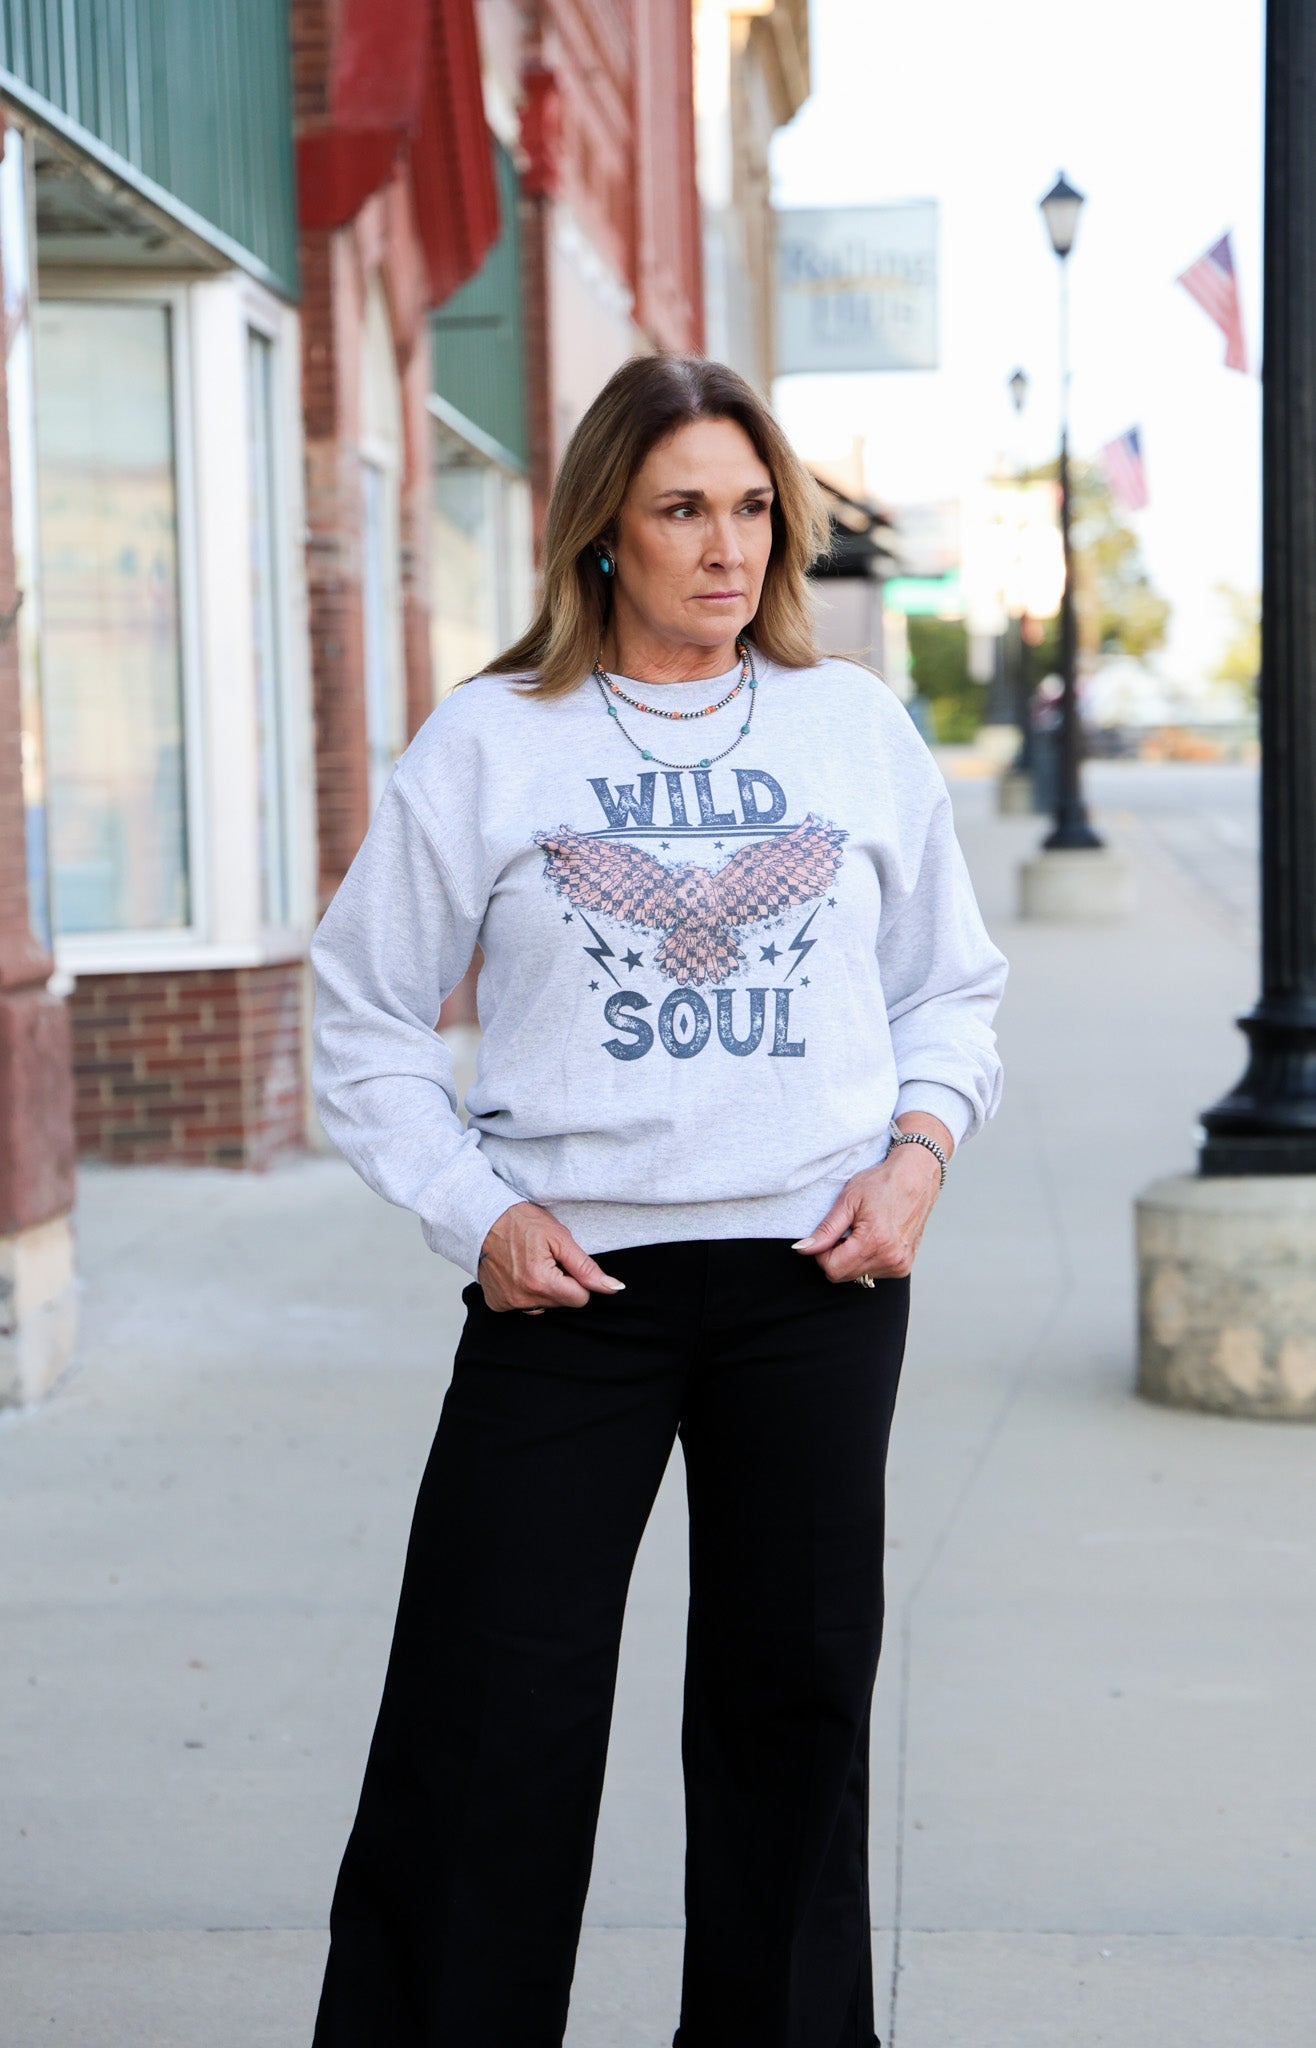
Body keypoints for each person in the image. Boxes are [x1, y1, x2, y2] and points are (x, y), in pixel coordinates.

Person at [307, 353, 1008, 2048]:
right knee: (489, 1716)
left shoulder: (853, 727)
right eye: (685, 507)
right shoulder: (493, 739)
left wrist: (917, 1159)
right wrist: (474, 1210)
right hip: (569, 1290)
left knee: (795, 1712)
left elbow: (950, 990)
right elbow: (363, 1014)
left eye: (755, 508)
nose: (729, 545)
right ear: (603, 531)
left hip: (817, 1280)